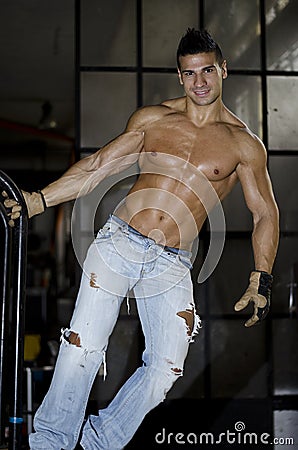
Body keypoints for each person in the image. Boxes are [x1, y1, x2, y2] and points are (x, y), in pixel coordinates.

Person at [5, 28, 279, 450]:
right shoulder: (153, 120)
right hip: (121, 241)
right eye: (190, 74)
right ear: (179, 77)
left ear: (223, 70)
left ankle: (99, 442)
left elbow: (264, 212)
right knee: (83, 346)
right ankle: (51, 443)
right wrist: (40, 200)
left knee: (166, 369)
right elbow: (99, 166)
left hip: (172, 263)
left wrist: (261, 277)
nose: (199, 82)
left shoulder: (244, 144)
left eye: (208, 70)